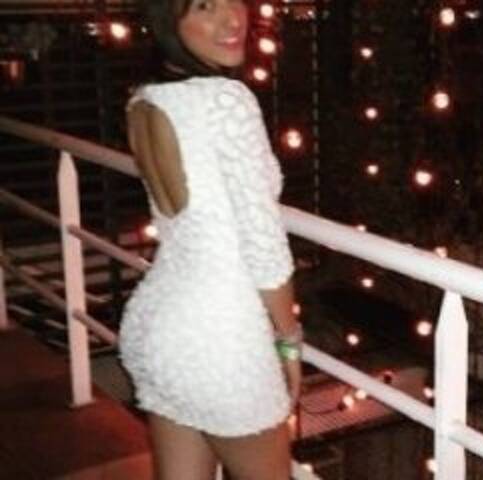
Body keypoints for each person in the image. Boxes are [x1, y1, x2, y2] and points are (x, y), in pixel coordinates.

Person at [118, 1, 303, 479]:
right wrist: (288, 340)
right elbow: (263, 245)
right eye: (204, 6)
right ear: (170, 22)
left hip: (158, 325)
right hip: (220, 337)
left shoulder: (144, 101)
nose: (232, 19)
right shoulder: (225, 100)